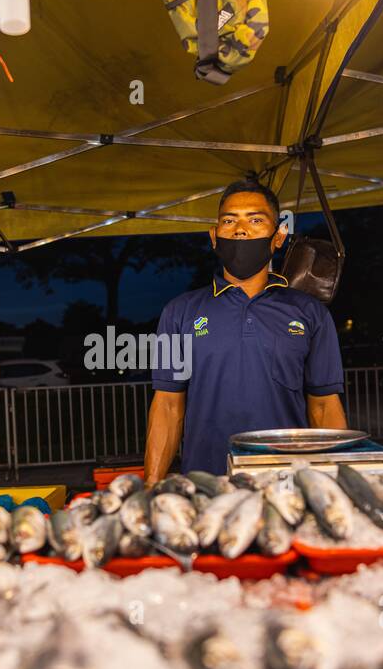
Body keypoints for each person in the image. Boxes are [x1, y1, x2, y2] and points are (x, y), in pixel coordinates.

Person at [144, 180, 347, 480]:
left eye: (255, 220)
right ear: (214, 237)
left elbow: (324, 405)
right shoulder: (179, 312)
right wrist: (151, 484)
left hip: (287, 484)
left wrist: (337, 483)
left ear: (278, 237)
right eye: (229, 220)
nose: (241, 229)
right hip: (207, 484)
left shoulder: (310, 313)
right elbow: (168, 406)